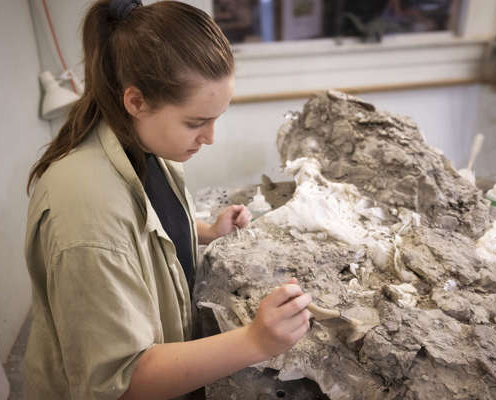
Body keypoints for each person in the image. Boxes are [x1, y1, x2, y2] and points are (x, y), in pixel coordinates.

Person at [24, 1, 312, 399]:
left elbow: (140, 231)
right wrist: (256, 341)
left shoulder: (144, 144)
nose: (209, 138)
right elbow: (120, 383)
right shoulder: (84, 217)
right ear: (136, 101)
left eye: (215, 119)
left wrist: (204, 231)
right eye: (196, 123)